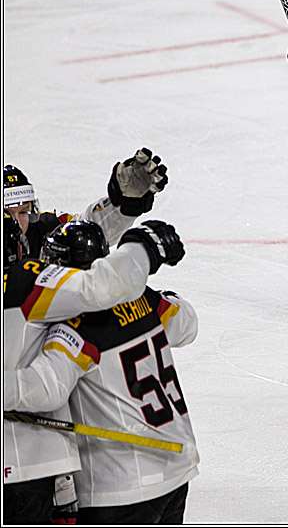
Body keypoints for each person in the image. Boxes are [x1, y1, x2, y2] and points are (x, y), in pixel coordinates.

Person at [4, 219, 196, 524]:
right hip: (177, 470)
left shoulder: (76, 326)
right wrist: (160, 297)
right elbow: (187, 324)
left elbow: (46, 388)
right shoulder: (145, 299)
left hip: (121, 486)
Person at [4, 148, 169, 257]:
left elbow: (85, 230)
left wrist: (121, 207)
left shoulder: (44, 231)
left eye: (23, 212)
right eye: (7, 215)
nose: (17, 223)